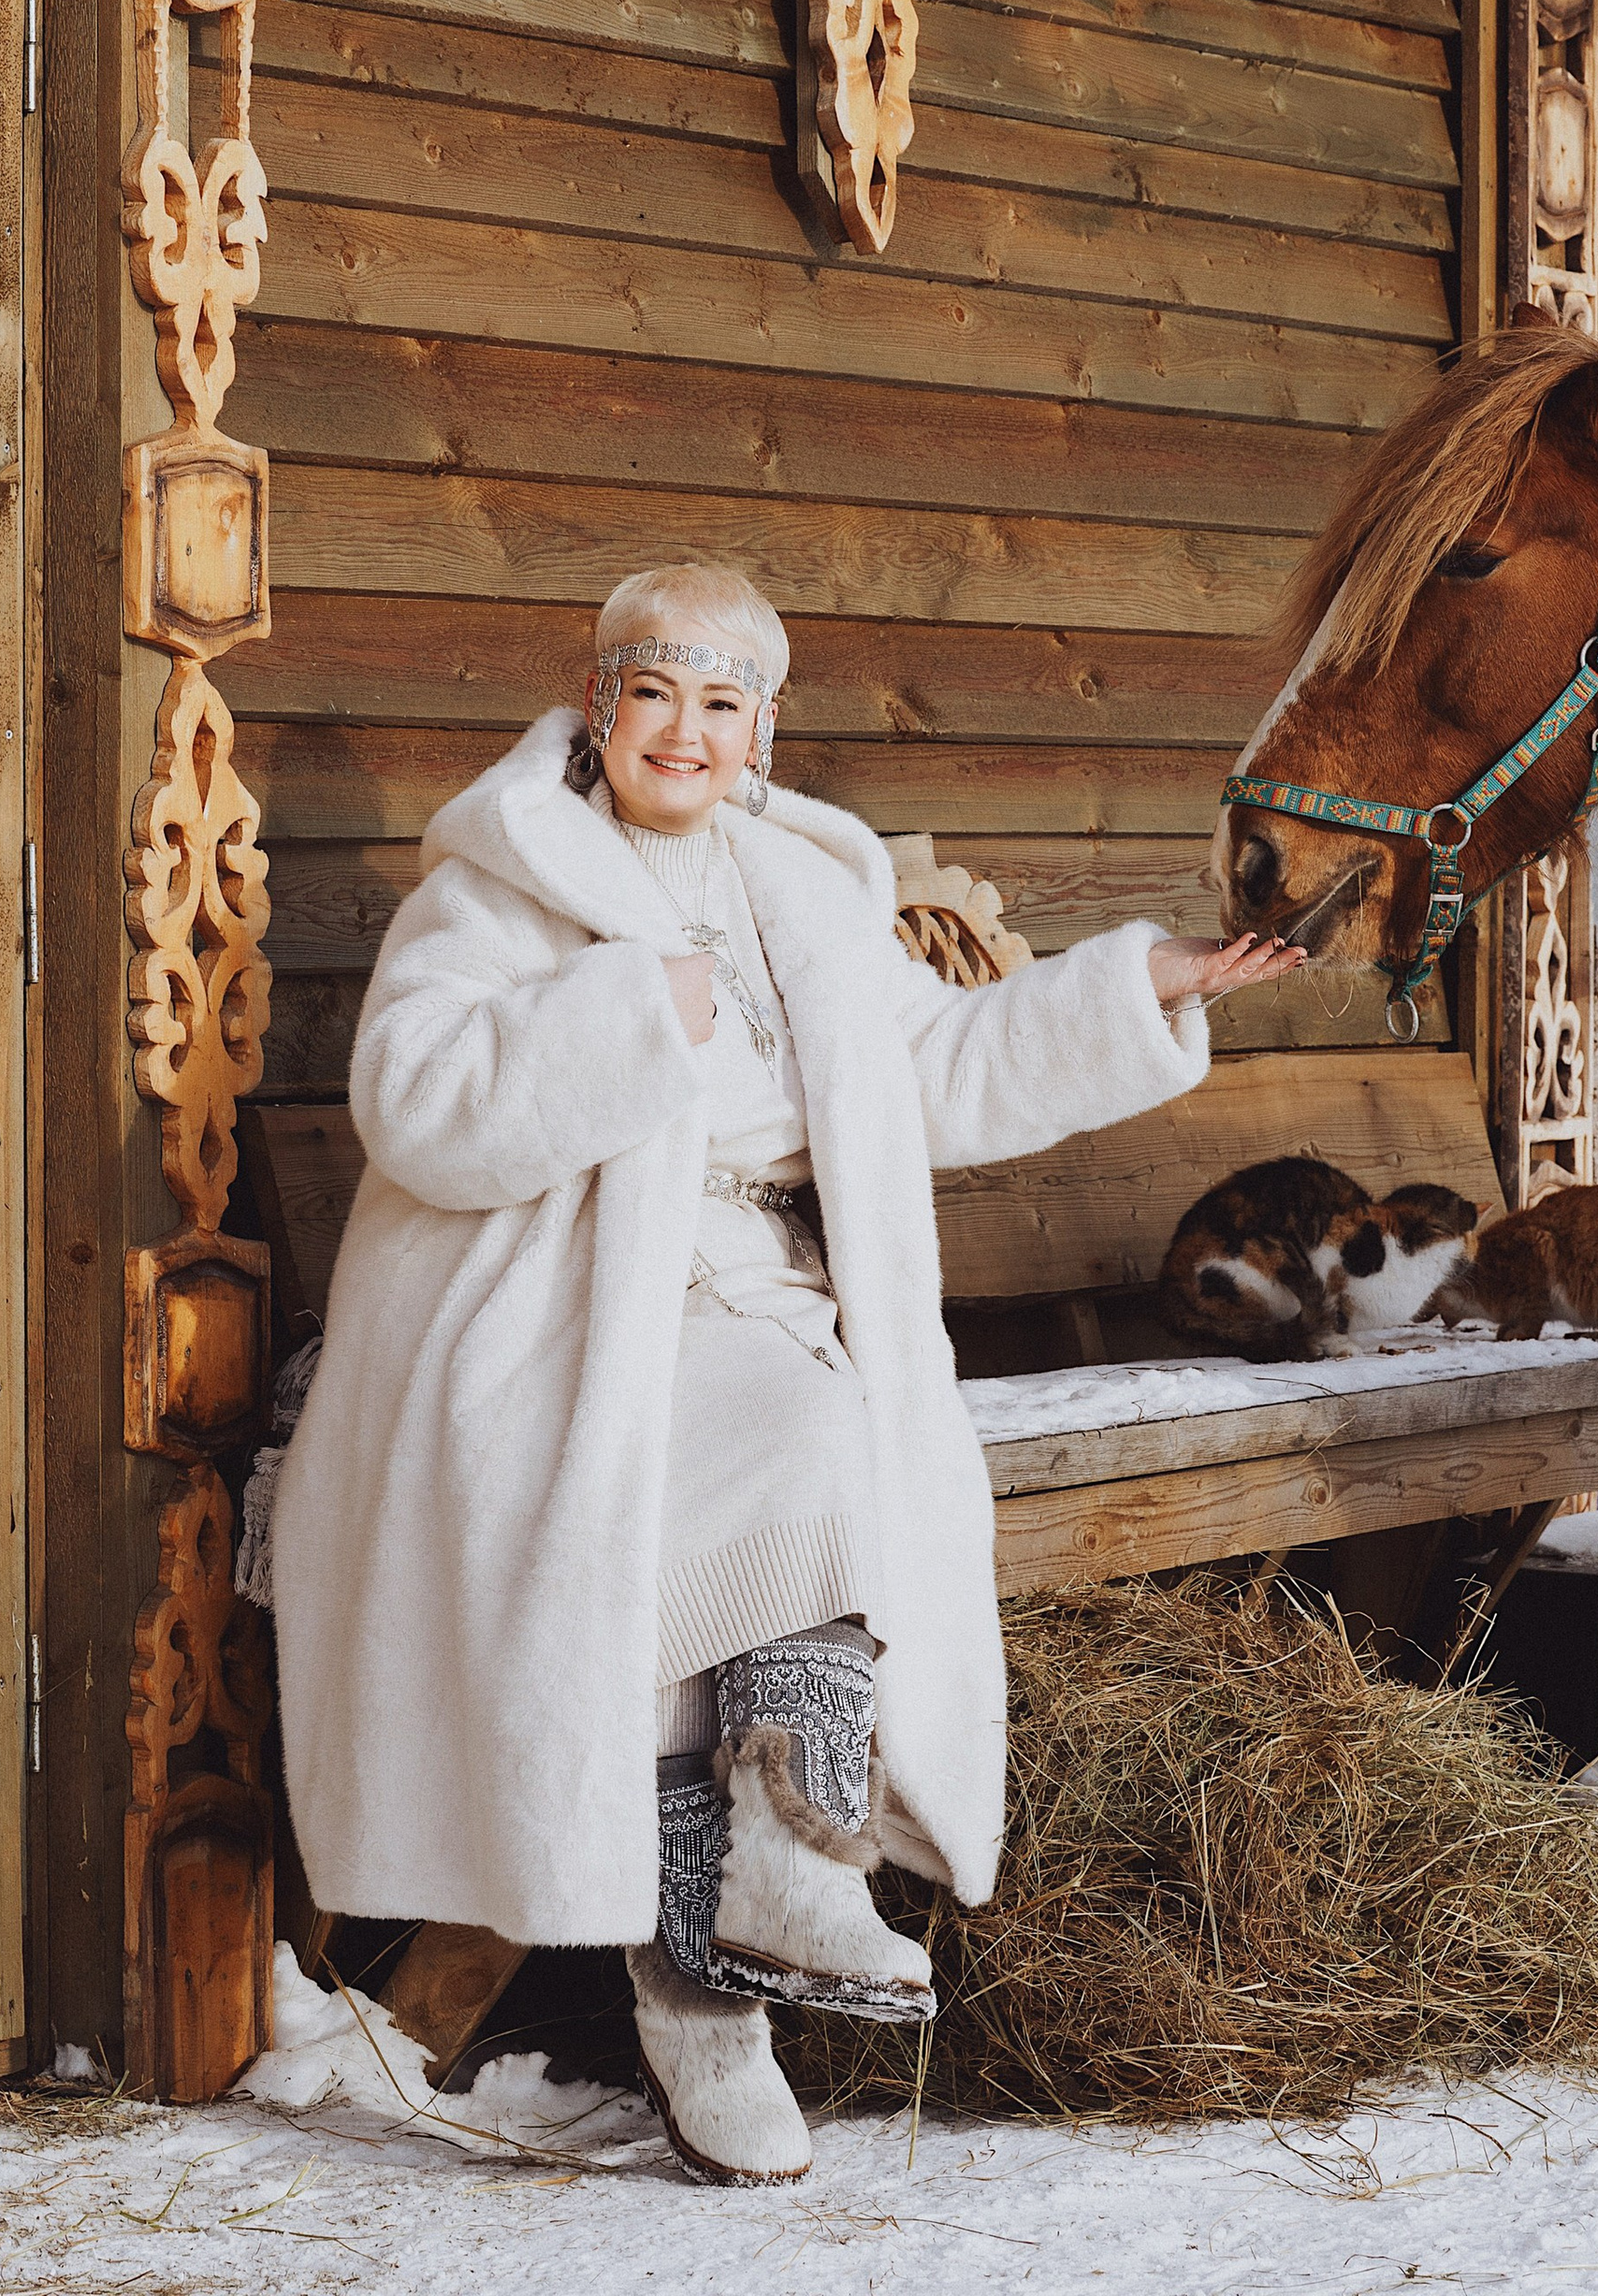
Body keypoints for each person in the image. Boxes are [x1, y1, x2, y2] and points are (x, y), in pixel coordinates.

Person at [271, 560, 1301, 2183]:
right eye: (657, 693)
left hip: (755, 1293)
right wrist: (627, 1013)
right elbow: (415, 1103)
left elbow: (941, 1065)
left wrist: (1144, 987)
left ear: (766, 725)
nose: (687, 731)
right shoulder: (501, 884)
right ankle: (722, 1974)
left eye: (724, 701)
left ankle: (769, 1893)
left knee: (828, 1442)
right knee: (724, 1479)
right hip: (554, 1308)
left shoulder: (800, 889)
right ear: (603, 705)